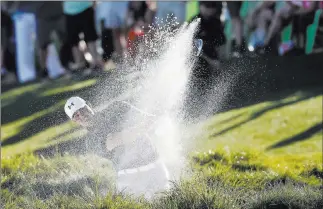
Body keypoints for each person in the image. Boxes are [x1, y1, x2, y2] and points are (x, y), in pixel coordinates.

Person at [64, 96, 170, 199]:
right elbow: (119, 139)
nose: (81, 115)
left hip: (156, 166)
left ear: (88, 105)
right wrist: (144, 126)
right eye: (76, 116)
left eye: (82, 109)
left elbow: (150, 118)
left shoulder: (117, 107)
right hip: (130, 179)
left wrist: (157, 119)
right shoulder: (90, 141)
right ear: (74, 122)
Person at [63, 1, 103, 71]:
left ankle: (96, 64)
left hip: (85, 8)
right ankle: (79, 66)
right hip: (69, 11)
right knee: (73, 41)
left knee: (91, 38)